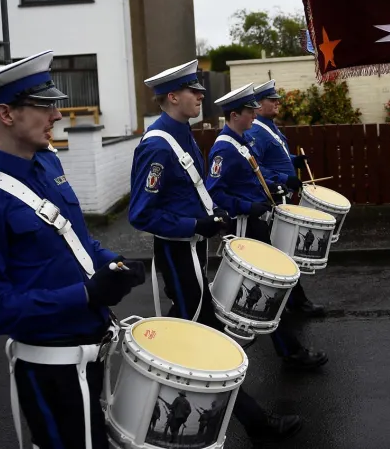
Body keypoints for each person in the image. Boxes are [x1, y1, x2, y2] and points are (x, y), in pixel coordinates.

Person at [0, 50, 146, 449]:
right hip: (49, 368)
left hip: (93, 349)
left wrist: (114, 264)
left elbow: (77, 242)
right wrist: (86, 294)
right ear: (6, 113)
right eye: (44, 106)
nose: (57, 115)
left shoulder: (48, 164)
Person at [128, 60, 303, 444]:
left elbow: (190, 192)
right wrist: (193, 225)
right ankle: (254, 424)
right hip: (178, 254)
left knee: (199, 337)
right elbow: (141, 213)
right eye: (194, 91)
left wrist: (213, 215)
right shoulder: (158, 144)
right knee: (200, 344)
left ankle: (167, 419)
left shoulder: (181, 135)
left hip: (193, 250)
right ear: (173, 97)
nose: (201, 97)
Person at [205, 83, 329, 370]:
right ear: (235, 115)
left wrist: (274, 185)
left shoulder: (241, 142)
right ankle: (288, 351)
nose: (254, 115)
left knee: (263, 290)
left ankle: (283, 349)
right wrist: (247, 206)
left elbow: (253, 177)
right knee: (266, 290)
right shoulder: (224, 148)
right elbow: (215, 192)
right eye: (249, 111)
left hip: (256, 222)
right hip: (246, 225)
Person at [248, 78, 326, 318]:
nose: (277, 103)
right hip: (272, 199)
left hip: (282, 197)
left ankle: (293, 301)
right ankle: (293, 302)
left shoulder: (270, 127)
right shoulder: (256, 131)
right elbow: (256, 168)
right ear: (258, 105)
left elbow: (276, 156)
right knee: (282, 253)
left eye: (277, 99)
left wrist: (294, 161)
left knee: (285, 252)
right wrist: (284, 178)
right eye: (271, 100)